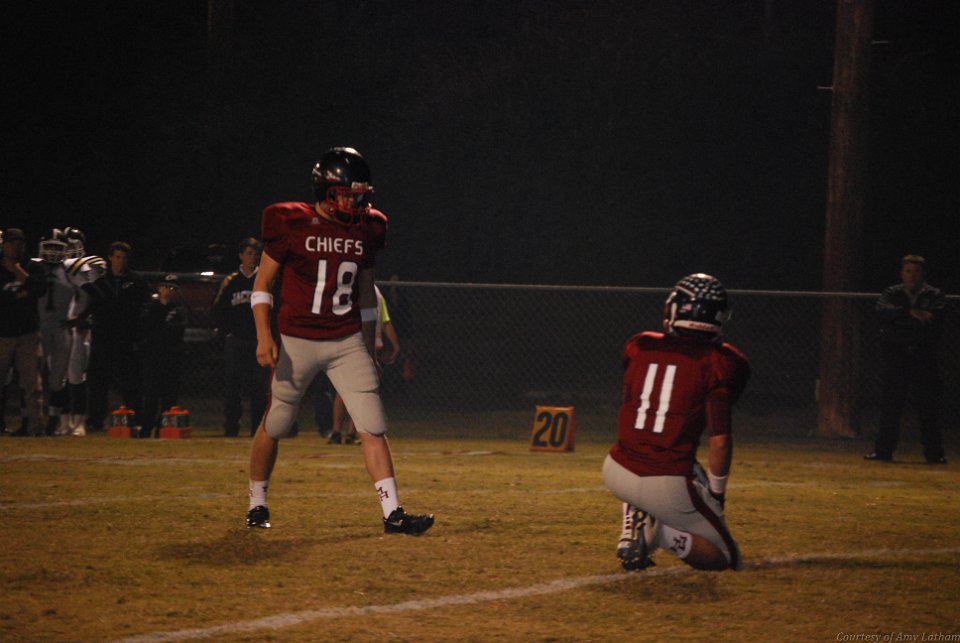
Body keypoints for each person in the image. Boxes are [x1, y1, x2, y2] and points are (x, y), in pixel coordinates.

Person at [245, 146, 434, 535]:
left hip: (345, 339)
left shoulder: (367, 228)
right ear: (325, 191)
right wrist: (264, 336)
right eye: (347, 195)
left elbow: (366, 296)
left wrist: (370, 345)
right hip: (297, 339)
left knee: (372, 422)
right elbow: (262, 284)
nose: (355, 203)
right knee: (276, 422)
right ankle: (257, 502)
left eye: (360, 195)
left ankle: (393, 513)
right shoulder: (291, 222)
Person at [602, 273, 750, 572]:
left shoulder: (640, 345)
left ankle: (635, 517)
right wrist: (717, 494)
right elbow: (720, 440)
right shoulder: (721, 361)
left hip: (615, 470)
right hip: (666, 481)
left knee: (687, 468)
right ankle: (661, 533)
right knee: (726, 558)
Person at [864, 255, 947, 464]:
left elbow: (935, 320)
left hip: (923, 357)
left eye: (916, 271)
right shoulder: (891, 292)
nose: (912, 275)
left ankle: (934, 453)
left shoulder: (934, 294)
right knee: (891, 405)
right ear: (901, 273)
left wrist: (900, 320)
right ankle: (883, 451)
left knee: (928, 407)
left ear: (923, 274)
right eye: (908, 271)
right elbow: (882, 312)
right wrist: (910, 312)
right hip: (896, 356)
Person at [34, 227, 108, 436]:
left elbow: (96, 294)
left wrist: (82, 317)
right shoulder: (51, 267)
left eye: (74, 245)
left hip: (78, 327)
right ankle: (62, 421)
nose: (70, 249)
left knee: (76, 374)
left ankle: (79, 421)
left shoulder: (83, 266)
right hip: (57, 325)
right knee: (58, 376)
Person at [86, 241, 149, 433]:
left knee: (130, 383)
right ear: (110, 258)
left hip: (127, 340)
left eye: (124, 258)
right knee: (99, 382)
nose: (120, 261)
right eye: (117, 257)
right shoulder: (100, 281)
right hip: (103, 338)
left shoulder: (136, 282)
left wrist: (138, 335)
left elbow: (144, 309)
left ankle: (135, 419)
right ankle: (96, 420)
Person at [328, 285, 400, 445]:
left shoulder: (355, 289)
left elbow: (385, 321)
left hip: (357, 343)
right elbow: (385, 322)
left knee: (345, 389)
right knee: (361, 390)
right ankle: (350, 432)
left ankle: (339, 432)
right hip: (365, 345)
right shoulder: (375, 293)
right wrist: (394, 344)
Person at [213, 238, 269, 437]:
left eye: (256, 254)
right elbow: (219, 308)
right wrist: (225, 331)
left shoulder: (264, 280)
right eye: (248, 254)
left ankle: (257, 428)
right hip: (236, 340)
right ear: (241, 256)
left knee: (259, 387)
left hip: (258, 342)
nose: (252, 258)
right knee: (232, 386)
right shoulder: (232, 280)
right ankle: (231, 427)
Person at [0, 228, 48, 436]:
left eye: (19, 242)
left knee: (32, 385)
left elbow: (40, 289)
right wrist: (18, 294)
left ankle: (35, 427)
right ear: (4, 244)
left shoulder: (33, 266)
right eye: (11, 242)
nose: (15, 246)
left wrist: (18, 271)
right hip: (2, 333)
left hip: (28, 333)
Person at [139, 274, 188, 438]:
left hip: (171, 357)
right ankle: (146, 428)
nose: (169, 290)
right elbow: (148, 329)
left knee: (169, 395)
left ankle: (163, 429)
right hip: (153, 356)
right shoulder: (150, 307)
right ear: (159, 288)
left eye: (173, 288)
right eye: (166, 286)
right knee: (151, 395)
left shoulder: (179, 310)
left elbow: (177, 331)